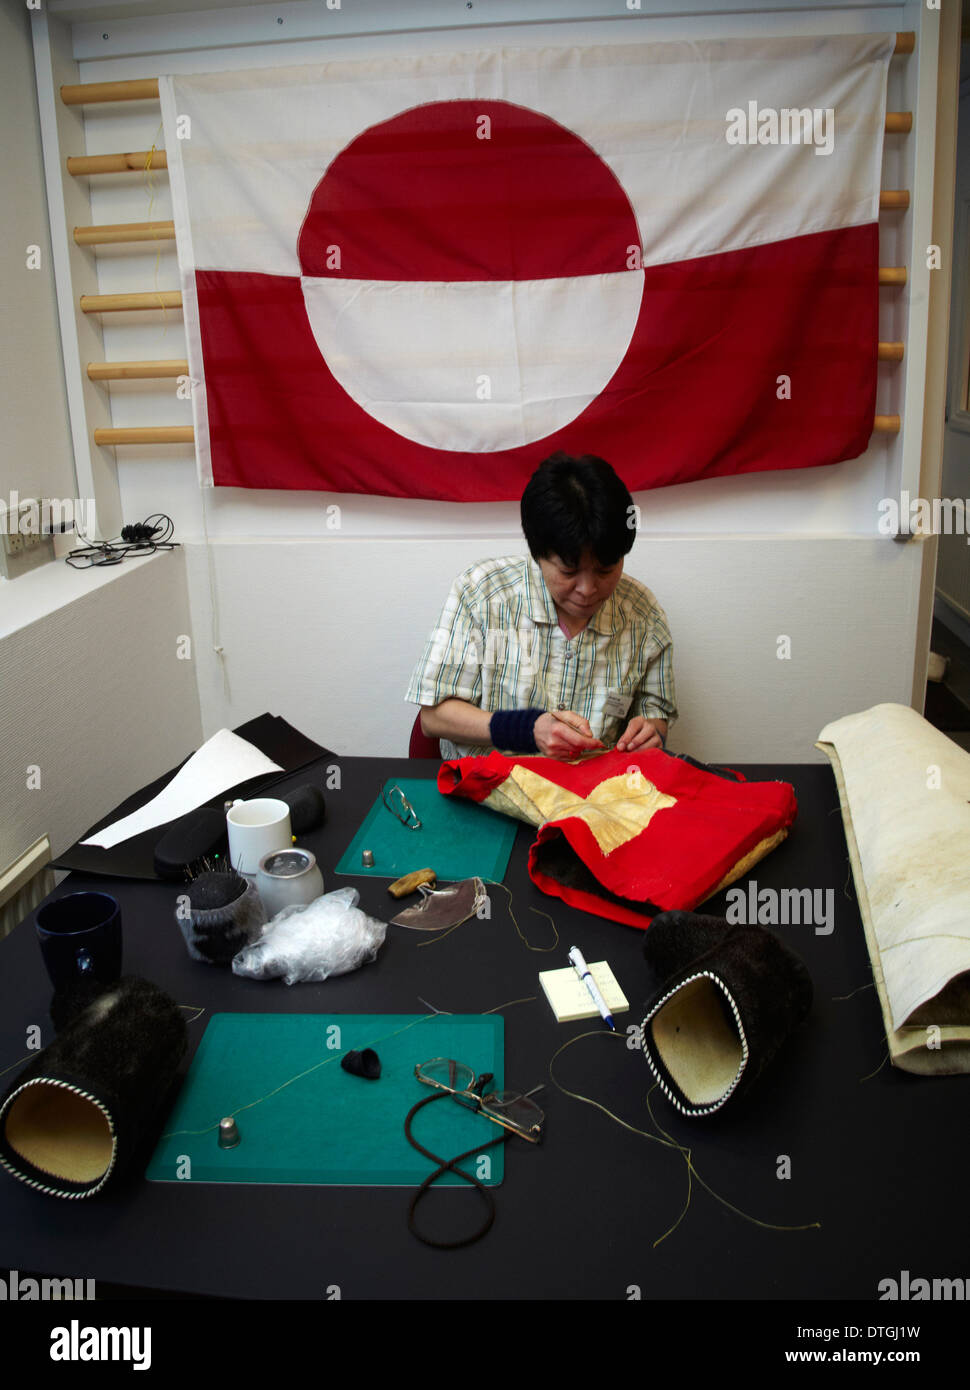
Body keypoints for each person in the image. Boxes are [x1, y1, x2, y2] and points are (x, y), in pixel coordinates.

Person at [406, 452, 677, 759]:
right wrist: (527, 729)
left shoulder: (643, 617)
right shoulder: (481, 595)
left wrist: (651, 732)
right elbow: (433, 718)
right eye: (569, 572)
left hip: (592, 797)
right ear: (538, 554)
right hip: (485, 788)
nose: (588, 590)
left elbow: (655, 714)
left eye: (605, 570)